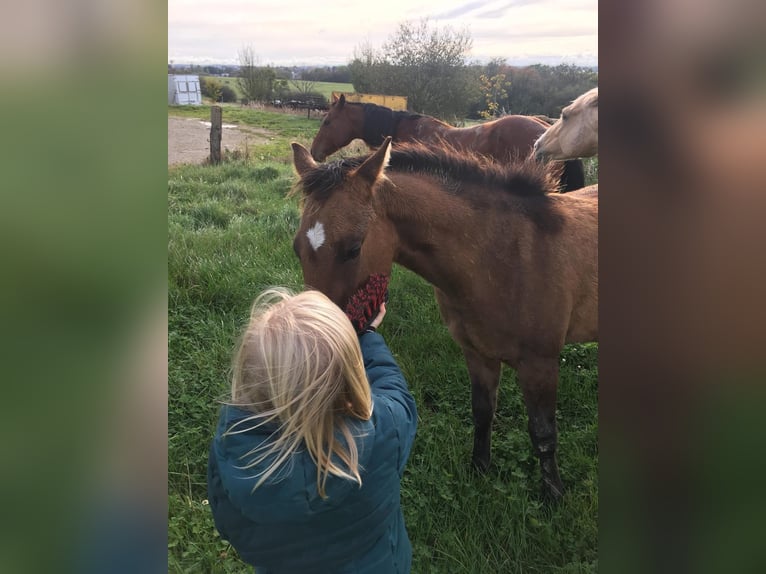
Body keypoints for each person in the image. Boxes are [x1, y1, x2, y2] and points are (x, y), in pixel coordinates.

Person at [207, 284, 417, 574]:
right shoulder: (384, 432)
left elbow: (229, 524)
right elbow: (397, 394)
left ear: (249, 383)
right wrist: (366, 336)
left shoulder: (236, 455)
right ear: (351, 378)